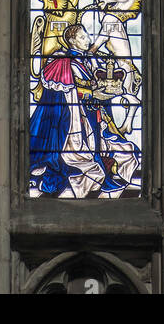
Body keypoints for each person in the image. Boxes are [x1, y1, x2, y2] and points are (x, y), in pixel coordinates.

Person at [28, 22, 139, 199]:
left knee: (120, 149)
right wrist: (93, 93)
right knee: (82, 157)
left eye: (86, 35)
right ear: (72, 41)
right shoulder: (63, 62)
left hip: (91, 114)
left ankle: (106, 168)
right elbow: (70, 90)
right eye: (82, 37)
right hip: (74, 119)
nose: (87, 39)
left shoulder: (88, 60)